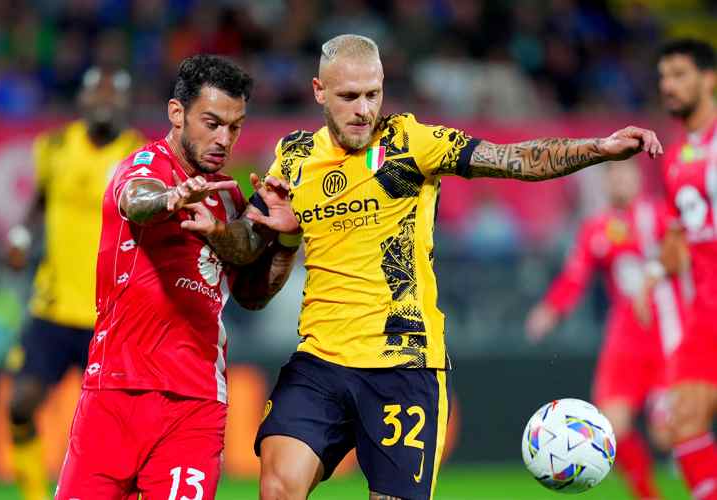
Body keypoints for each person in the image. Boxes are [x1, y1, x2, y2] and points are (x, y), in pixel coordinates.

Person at [253, 34, 663, 500]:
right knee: (278, 488)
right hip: (320, 362)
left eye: (373, 94)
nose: (364, 109)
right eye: (349, 96)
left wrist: (598, 149)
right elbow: (254, 278)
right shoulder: (293, 157)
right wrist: (267, 237)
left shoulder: (412, 142)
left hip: (403, 365)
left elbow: (515, 160)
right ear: (319, 92)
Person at [54, 54, 300, 500]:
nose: (223, 138)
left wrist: (284, 242)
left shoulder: (227, 198)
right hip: (114, 393)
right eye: (211, 123)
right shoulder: (144, 167)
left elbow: (251, 294)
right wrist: (172, 198)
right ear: (176, 113)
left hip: (195, 406)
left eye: (234, 126)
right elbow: (136, 201)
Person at [4, 66, 145, 500]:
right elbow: (40, 200)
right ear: (81, 100)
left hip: (111, 317)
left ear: (126, 102)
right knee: (20, 405)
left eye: (113, 95)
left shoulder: (138, 155)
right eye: (96, 94)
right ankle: (33, 494)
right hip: (52, 307)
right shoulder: (54, 147)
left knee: (123, 429)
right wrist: (22, 237)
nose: (104, 102)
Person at [525, 161, 688, 500]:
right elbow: (575, 276)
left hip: (666, 338)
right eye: (613, 177)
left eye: (626, 175)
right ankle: (647, 496)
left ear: (639, 179)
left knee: (666, 433)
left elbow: (684, 256)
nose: (620, 183)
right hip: (625, 341)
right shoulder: (596, 227)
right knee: (612, 423)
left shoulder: (658, 217)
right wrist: (551, 310)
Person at [657, 38, 717, 500]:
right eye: (663, 77)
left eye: (679, 75)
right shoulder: (676, 158)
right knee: (681, 423)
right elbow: (676, 241)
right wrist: (658, 275)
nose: (668, 86)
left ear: (709, 78)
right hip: (705, 313)